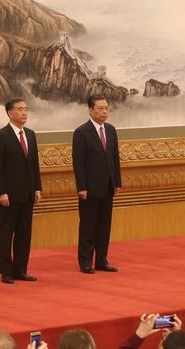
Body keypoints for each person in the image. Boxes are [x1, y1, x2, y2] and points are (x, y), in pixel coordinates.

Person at [0, 98, 42, 284]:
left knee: (24, 234)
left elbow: (34, 164)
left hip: (28, 193)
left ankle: (21, 269)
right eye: (20, 109)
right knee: (6, 233)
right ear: (10, 113)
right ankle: (6, 271)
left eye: (26, 109)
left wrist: (37, 188)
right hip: (9, 195)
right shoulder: (1, 136)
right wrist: (1, 192)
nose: (24, 113)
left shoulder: (30, 134)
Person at [73, 95, 122, 274]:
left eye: (106, 108)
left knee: (104, 226)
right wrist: (81, 187)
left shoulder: (111, 130)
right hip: (89, 189)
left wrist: (117, 181)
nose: (104, 112)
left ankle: (101, 260)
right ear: (91, 110)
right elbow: (78, 162)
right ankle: (85, 262)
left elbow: (114, 158)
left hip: (108, 186)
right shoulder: (81, 132)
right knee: (88, 226)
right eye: (100, 108)